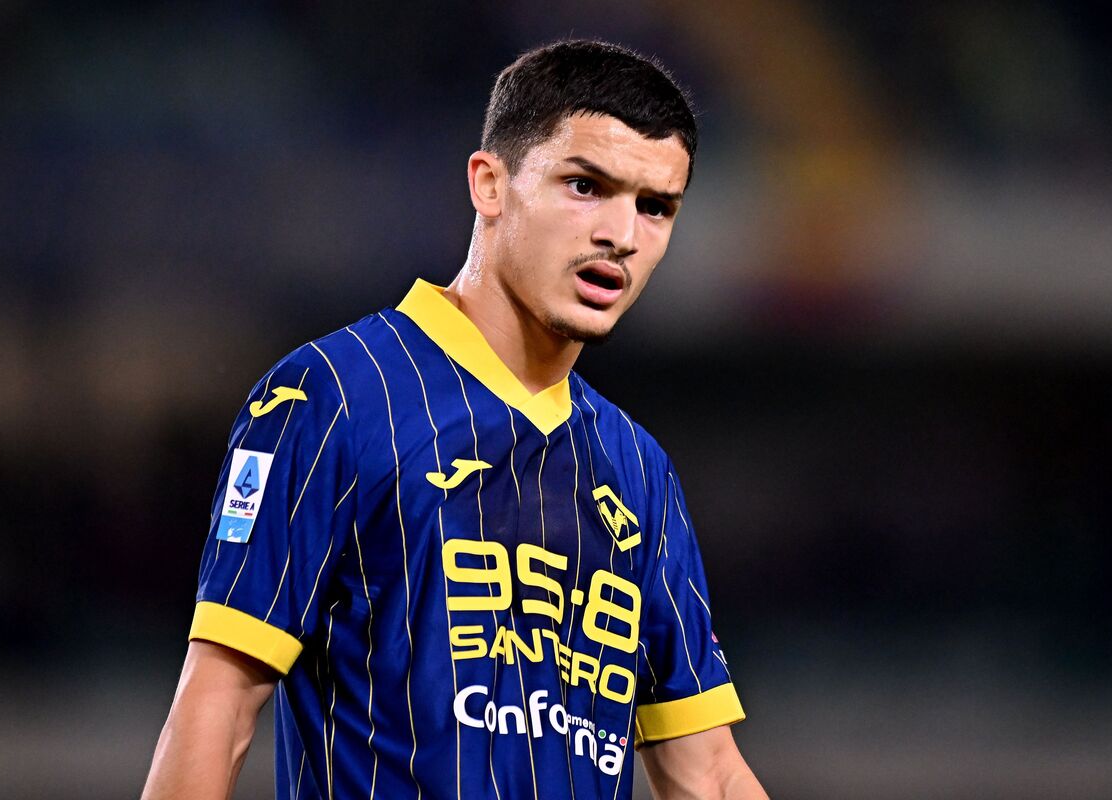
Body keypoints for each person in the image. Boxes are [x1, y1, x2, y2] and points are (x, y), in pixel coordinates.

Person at [143, 39, 767, 800]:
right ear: (490, 184)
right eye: (585, 186)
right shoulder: (334, 396)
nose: (622, 235)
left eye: (655, 207)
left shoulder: (639, 470)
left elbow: (709, 772)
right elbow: (219, 705)